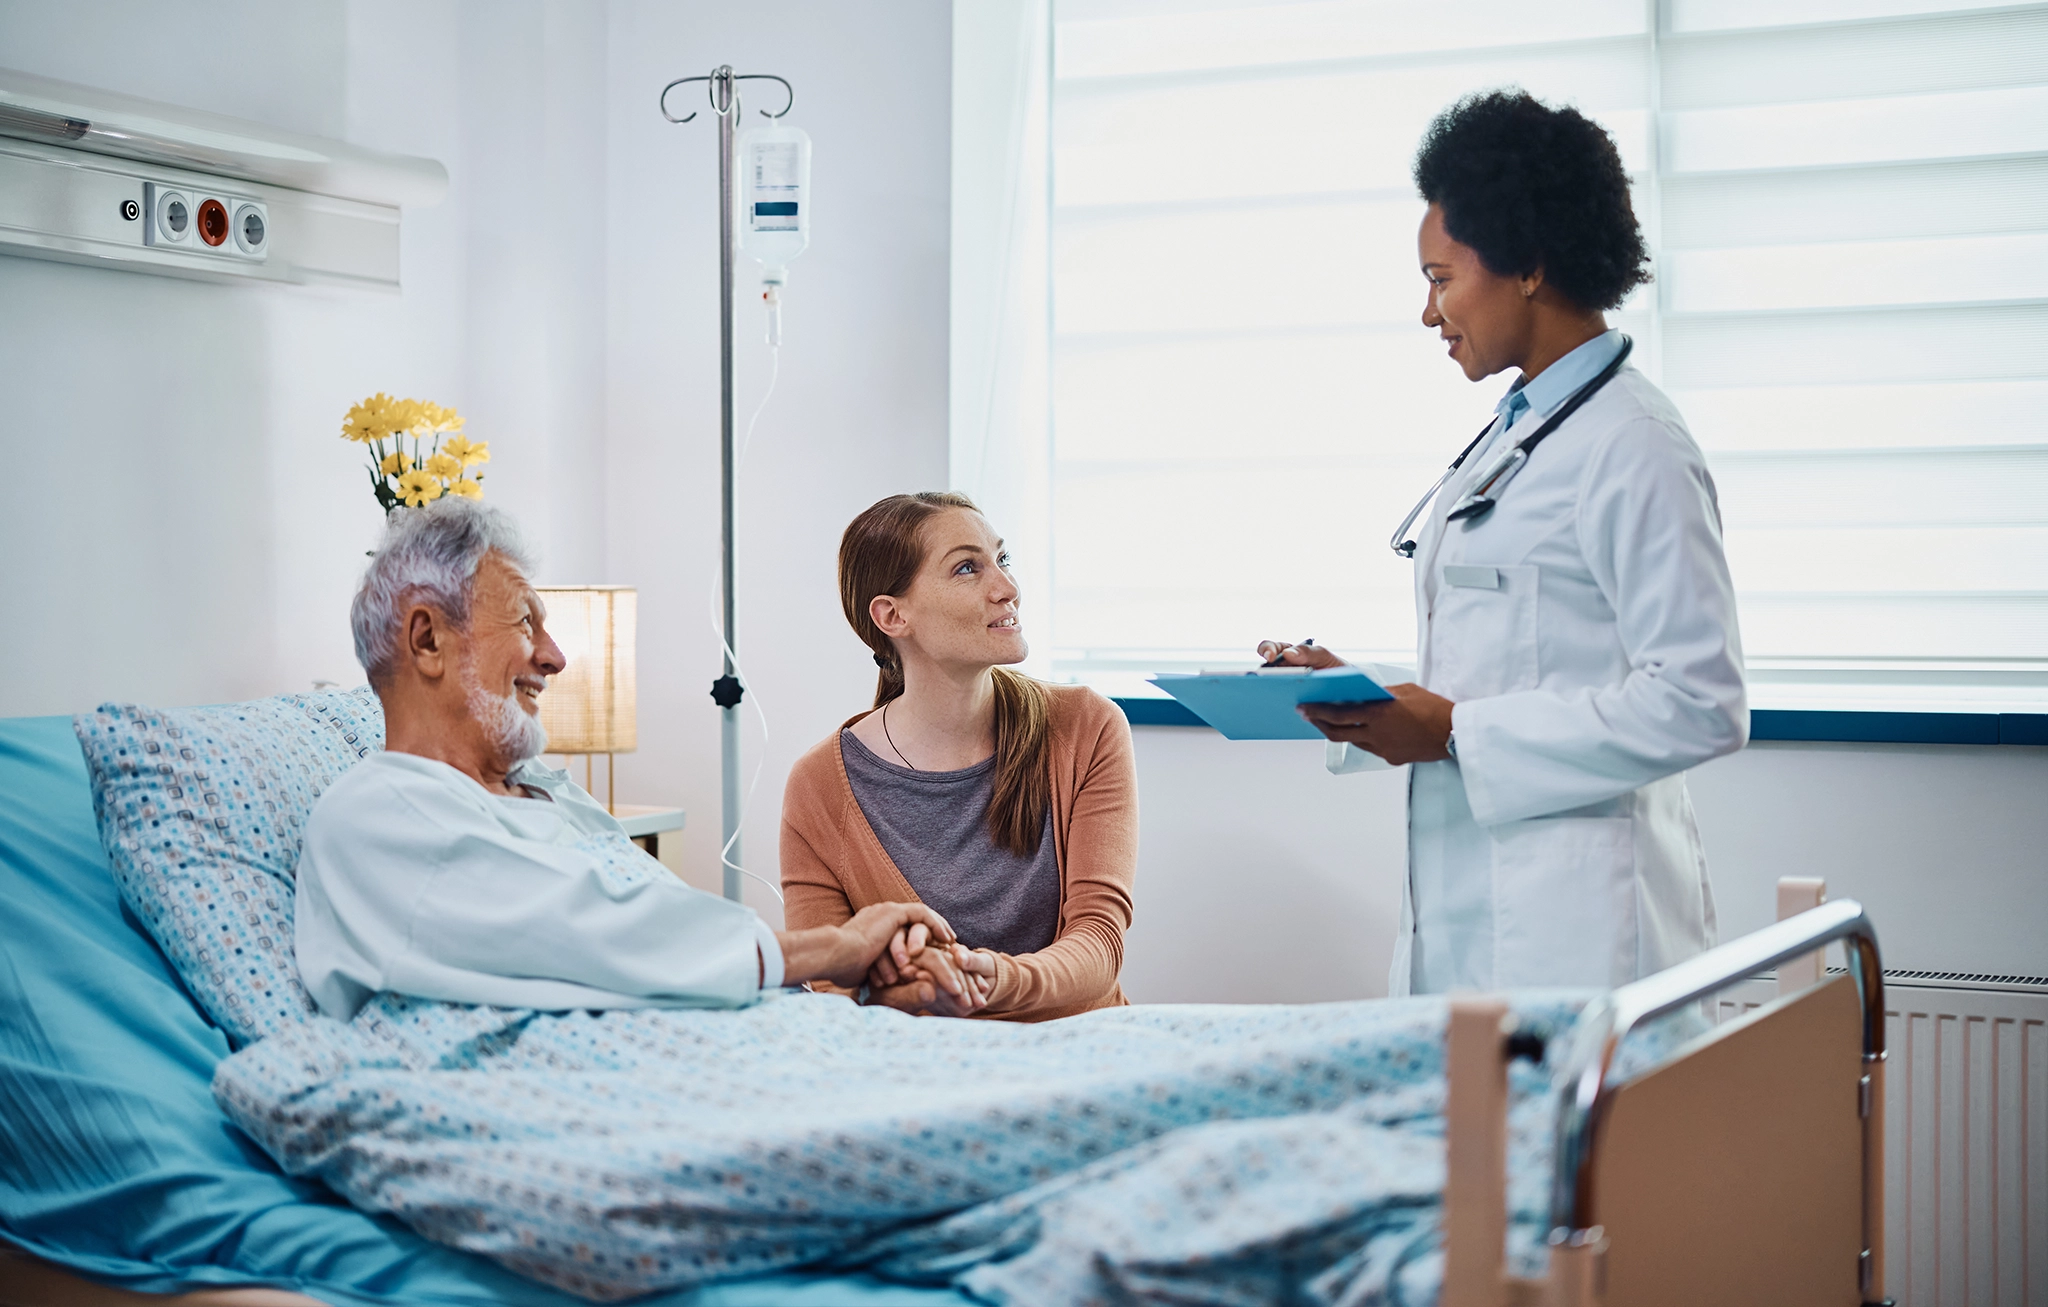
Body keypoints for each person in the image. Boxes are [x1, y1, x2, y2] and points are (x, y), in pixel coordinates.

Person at [1259, 90, 1747, 996]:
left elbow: (1702, 703)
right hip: (1477, 911)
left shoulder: (1635, 444)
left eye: (1441, 279)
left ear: (1527, 262)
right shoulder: (1524, 429)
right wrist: (1360, 696)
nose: (1427, 312)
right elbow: (1519, 657)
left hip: (1583, 930)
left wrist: (1454, 731)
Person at [295, 497, 961, 1021]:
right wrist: (837, 947)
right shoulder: (379, 813)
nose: (556, 656)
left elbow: (663, 923)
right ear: (428, 638)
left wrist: (872, 978)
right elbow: (583, 934)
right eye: (527, 620)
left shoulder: (551, 794)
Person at [780, 492, 1138, 1021]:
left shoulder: (1086, 727)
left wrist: (983, 980)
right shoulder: (819, 785)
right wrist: (924, 993)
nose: (1008, 589)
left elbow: (1100, 943)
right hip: (919, 1068)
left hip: (1081, 1046)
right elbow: (835, 988)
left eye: (1003, 560)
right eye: (968, 568)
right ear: (892, 615)